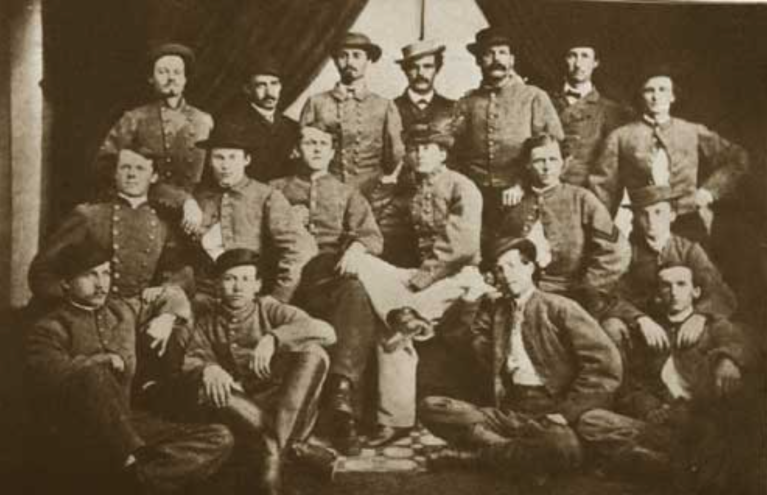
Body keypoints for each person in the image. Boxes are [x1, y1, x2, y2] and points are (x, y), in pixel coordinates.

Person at [25, 239, 233, 493]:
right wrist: (101, 361)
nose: (101, 284)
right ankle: (132, 465)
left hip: (129, 421)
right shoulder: (49, 327)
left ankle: (134, 479)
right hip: (81, 430)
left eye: (106, 273)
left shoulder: (122, 311)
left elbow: (174, 294)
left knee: (219, 437)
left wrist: (167, 317)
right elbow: (52, 376)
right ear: (66, 283)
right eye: (90, 275)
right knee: (94, 375)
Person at [419, 238, 622, 479]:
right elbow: (461, 342)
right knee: (432, 408)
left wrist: (566, 413)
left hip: (552, 410)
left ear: (530, 267)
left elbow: (605, 367)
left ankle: (475, 458)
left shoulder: (560, 307)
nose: (506, 274)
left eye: (513, 266)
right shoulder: (496, 311)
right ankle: (518, 453)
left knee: (563, 447)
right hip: (511, 409)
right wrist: (471, 300)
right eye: (500, 269)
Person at [352, 123, 491, 446]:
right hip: (417, 278)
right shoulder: (409, 188)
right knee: (361, 263)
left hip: (458, 276)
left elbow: (462, 246)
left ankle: (394, 419)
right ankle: (403, 314)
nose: (419, 154)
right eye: (413, 149)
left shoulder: (462, 186)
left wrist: (419, 281)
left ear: (443, 153)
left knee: (392, 332)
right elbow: (380, 225)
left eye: (427, 148)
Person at [29, 146, 193, 387]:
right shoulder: (89, 215)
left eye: (140, 169)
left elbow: (180, 270)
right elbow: (42, 271)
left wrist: (165, 291)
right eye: (125, 168)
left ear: (154, 177)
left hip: (138, 309)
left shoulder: (161, 221)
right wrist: (72, 299)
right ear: (115, 174)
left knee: (178, 326)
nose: (132, 174)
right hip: (95, 309)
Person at [177, 248, 336, 495]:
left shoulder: (269, 308)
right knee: (210, 388)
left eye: (246, 279)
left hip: (284, 404)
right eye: (230, 279)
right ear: (217, 284)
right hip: (241, 408)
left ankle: (273, 454)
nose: (238, 287)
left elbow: (326, 331)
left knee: (314, 352)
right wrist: (209, 368)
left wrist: (274, 338)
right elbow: (191, 359)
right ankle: (293, 450)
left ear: (257, 285)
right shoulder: (208, 320)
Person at [580, 263, 751, 491]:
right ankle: (671, 463)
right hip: (659, 423)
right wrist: (650, 408)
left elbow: (742, 341)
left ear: (695, 291)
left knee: (716, 439)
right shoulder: (649, 333)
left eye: (681, 284)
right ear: (657, 294)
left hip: (698, 420)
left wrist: (729, 359)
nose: (674, 292)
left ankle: (657, 463)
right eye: (666, 286)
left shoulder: (713, 325)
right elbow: (633, 385)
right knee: (590, 421)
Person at [271, 124, 383, 454]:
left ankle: (342, 398)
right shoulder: (275, 189)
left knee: (356, 291)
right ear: (297, 149)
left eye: (323, 144)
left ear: (333, 152)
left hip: (328, 277)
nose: (317, 149)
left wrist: (357, 248)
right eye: (310, 143)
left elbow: (372, 235)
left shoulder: (347, 192)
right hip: (285, 278)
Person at [590, 66, 749, 244]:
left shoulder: (691, 131)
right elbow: (603, 188)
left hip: (687, 223)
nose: (656, 96)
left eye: (662, 90)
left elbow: (737, 159)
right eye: (649, 90)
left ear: (673, 96)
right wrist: (602, 231)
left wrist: (709, 191)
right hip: (644, 224)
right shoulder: (620, 137)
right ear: (641, 96)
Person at [495, 134, 630, 316]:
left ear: (562, 163)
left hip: (569, 294)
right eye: (539, 161)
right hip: (519, 292)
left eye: (553, 160)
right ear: (527, 164)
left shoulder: (581, 199)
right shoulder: (514, 201)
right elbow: (497, 248)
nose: (547, 167)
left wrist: (588, 288)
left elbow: (616, 250)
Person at [451, 27, 563, 245]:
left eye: (502, 52)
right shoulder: (467, 102)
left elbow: (553, 149)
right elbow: (454, 152)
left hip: (522, 193)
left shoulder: (534, 97)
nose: (496, 59)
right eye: (489, 53)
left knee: (515, 251)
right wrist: (464, 189)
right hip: (475, 195)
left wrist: (521, 185)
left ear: (512, 59)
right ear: (478, 60)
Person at [186, 121, 316, 303]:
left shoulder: (266, 196)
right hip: (203, 295)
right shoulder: (198, 195)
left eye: (233, 157)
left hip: (250, 298)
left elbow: (301, 248)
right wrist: (186, 201)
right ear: (209, 161)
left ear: (246, 160)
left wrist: (279, 296)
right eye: (219, 157)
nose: (225, 165)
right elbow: (160, 191)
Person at [601, 185, 738, 354]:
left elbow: (720, 292)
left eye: (658, 212)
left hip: (683, 322)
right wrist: (640, 318)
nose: (651, 220)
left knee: (723, 331)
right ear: (635, 217)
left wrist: (700, 315)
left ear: (672, 215)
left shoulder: (689, 250)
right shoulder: (627, 253)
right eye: (644, 214)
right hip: (645, 328)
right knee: (611, 327)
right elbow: (610, 296)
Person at [95, 43, 212, 236]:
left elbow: (213, 175)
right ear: (151, 78)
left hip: (195, 217)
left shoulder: (204, 121)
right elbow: (106, 166)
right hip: (144, 212)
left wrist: (202, 210)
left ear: (185, 79)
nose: (171, 78)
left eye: (177, 72)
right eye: (163, 72)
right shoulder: (134, 119)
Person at [300, 32, 404, 190]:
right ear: (335, 60)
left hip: (371, 192)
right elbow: (303, 151)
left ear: (368, 60)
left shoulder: (384, 106)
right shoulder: (316, 103)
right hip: (328, 189)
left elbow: (395, 155)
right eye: (343, 56)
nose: (349, 62)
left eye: (357, 56)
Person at [549, 37, 632, 187]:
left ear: (595, 63)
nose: (578, 64)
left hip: (588, 190)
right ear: (564, 60)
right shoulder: (544, 101)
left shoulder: (611, 110)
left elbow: (612, 163)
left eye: (585, 56)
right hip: (547, 187)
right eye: (572, 56)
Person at [216, 57, 300, 182]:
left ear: (281, 86)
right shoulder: (231, 124)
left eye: (274, 84)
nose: (269, 92)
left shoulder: (292, 127)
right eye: (261, 85)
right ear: (247, 89)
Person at [394, 39, 455, 134]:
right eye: (414, 67)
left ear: (437, 69)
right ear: (405, 70)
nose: (421, 73)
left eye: (427, 66)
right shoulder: (391, 108)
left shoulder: (453, 108)